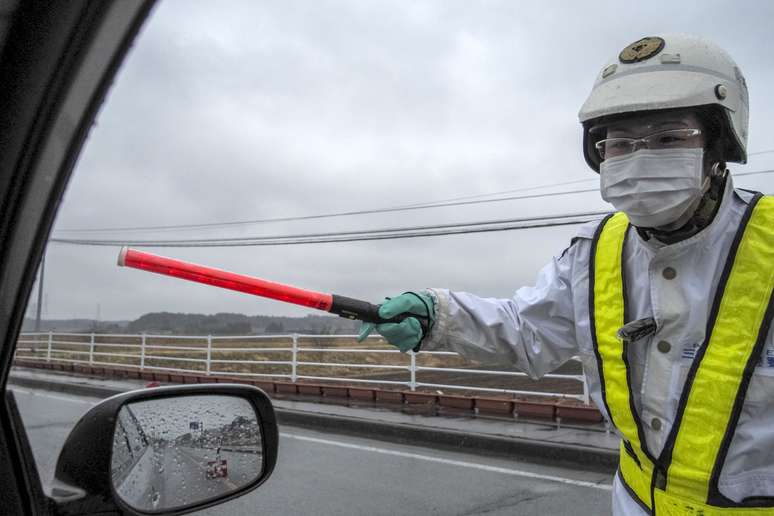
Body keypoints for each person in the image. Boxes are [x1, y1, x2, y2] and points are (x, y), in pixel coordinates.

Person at [359, 34, 773, 515]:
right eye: (618, 143)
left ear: (719, 144)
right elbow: (529, 329)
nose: (639, 158)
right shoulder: (596, 251)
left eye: (669, 138)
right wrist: (440, 316)